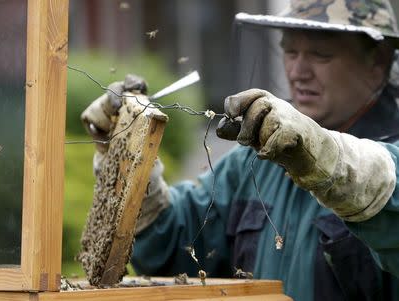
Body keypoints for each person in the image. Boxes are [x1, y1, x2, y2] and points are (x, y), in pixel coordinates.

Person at [81, 0, 399, 299]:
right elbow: (172, 248)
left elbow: (383, 184)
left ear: (378, 62)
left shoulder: (388, 159)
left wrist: (328, 159)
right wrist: (127, 159)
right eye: (290, 52)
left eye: (321, 55)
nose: (298, 71)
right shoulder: (254, 161)